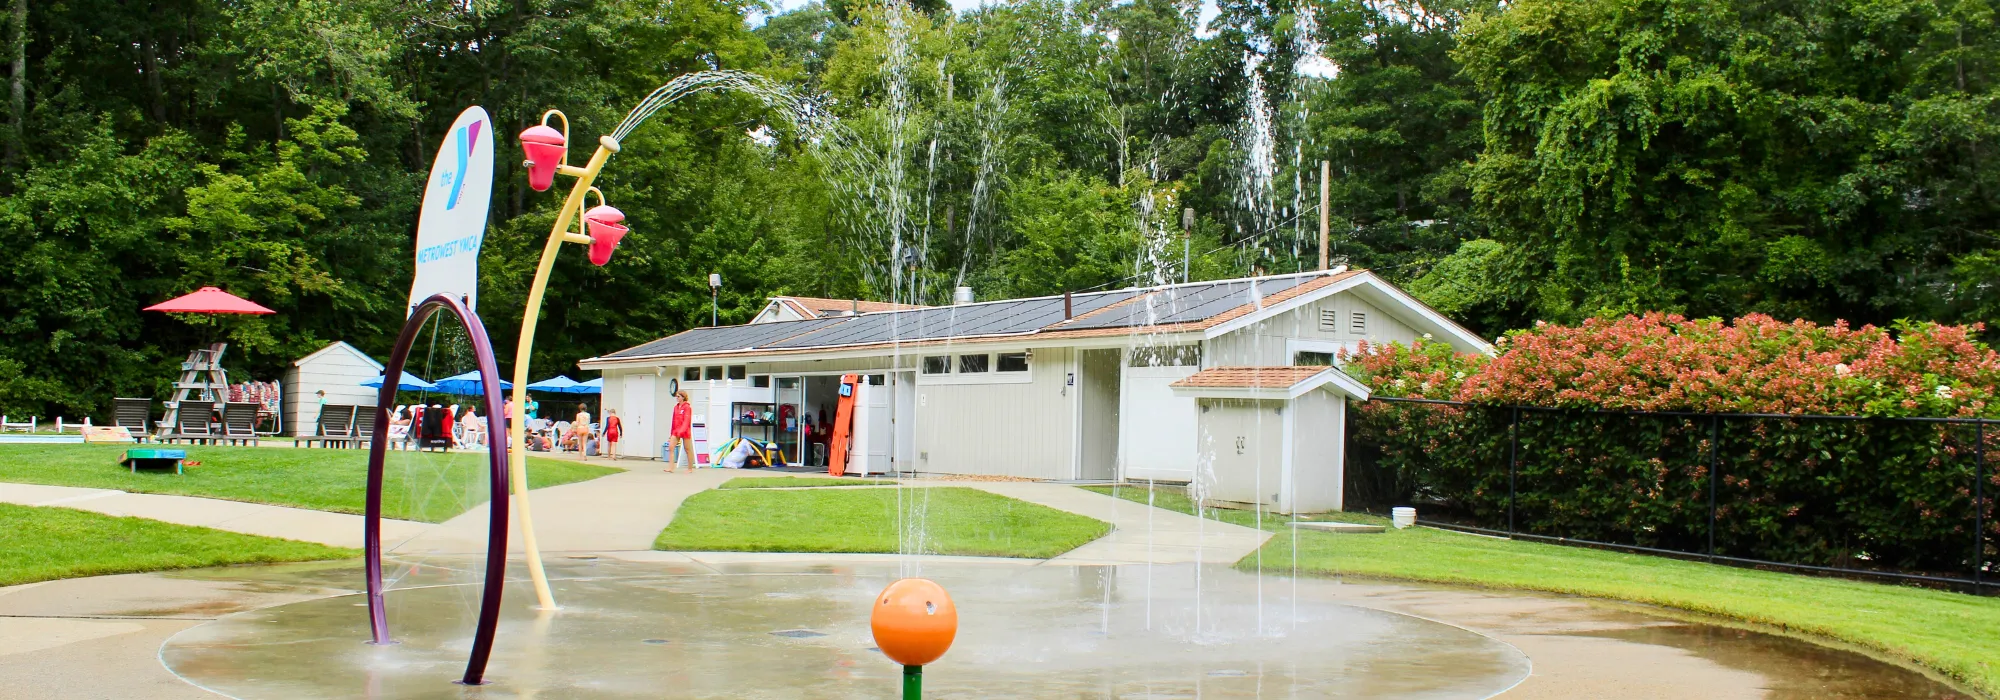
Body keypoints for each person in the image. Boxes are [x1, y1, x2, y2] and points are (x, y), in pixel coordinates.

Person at [664, 391, 694, 473]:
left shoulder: (687, 407)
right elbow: (673, 420)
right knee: (671, 447)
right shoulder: (675, 407)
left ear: (683, 397)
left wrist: (681, 431)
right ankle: (670, 468)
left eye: (678, 396)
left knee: (687, 449)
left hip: (685, 431)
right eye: (676, 396)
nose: (677, 398)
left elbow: (686, 421)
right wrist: (672, 434)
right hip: (676, 430)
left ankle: (690, 468)